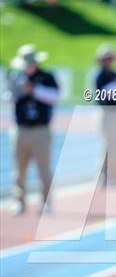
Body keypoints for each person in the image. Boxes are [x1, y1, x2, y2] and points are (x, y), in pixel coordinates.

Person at [6, 44, 60, 215]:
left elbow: (54, 97)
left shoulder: (46, 77)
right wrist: (18, 90)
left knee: (43, 168)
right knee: (19, 170)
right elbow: (8, 97)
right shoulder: (15, 76)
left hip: (41, 130)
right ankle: (19, 202)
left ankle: (46, 202)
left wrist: (34, 90)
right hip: (21, 129)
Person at [94, 44, 116, 186]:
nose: (109, 61)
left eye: (110, 58)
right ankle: (105, 178)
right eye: (106, 58)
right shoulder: (101, 76)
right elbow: (107, 92)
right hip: (107, 112)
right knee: (109, 146)